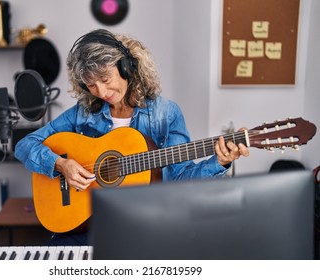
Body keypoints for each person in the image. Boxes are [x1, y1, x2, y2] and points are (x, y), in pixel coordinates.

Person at [15, 29, 250, 246]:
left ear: (126, 67)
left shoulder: (166, 114)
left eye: (105, 79)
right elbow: (25, 145)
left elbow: (181, 182)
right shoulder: (83, 113)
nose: (102, 92)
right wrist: (60, 164)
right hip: (91, 223)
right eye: (91, 85)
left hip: (146, 222)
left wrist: (219, 162)